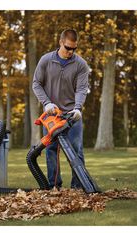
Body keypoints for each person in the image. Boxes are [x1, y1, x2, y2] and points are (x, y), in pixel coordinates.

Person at [32, 29, 89, 189]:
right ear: (60, 42)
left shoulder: (81, 65)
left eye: (74, 49)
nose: (71, 52)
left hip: (72, 115)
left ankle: (78, 187)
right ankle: (54, 187)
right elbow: (36, 83)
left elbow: (82, 89)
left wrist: (78, 108)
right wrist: (47, 103)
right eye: (68, 48)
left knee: (76, 150)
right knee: (51, 150)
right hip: (51, 114)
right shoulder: (46, 60)